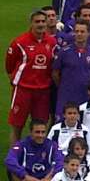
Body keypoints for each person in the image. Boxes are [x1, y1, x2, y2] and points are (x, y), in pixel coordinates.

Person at [5, 10, 58, 144]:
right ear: (31, 23)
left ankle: (36, 156)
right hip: (23, 90)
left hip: (43, 91)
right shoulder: (19, 42)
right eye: (37, 21)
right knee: (17, 126)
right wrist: (17, 80)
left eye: (43, 21)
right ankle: (14, 159)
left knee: (40, 126)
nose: (40, 24)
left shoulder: (52, 42)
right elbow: (9, 65)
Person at [53, 20, 90, 119]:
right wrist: (64, 86)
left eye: (82, 32)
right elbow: (55, 73)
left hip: (84, 96)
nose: (79, 34)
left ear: (88, 33)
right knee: (63, 124)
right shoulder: (64, 52)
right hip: (66, 96)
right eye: (77, 31)